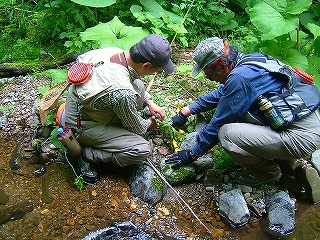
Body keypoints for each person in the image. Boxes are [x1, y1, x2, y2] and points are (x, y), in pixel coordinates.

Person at [165, 36, 320, 202]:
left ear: (221, 66)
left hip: (300, 136)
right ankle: (294, 166)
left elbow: (219, 122)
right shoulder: (248, 61)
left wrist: (193, 154)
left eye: (208, 75)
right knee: (248, 113)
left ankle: (269, 171)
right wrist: (187, 111)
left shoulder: (240, 78)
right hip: (309, 121)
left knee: (227, 134)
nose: (207, 78)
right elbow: (225, 92)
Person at [62, 34, 175, 184]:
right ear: (146, 65)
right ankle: (83, 154)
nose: (156, 73)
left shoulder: (115, 52)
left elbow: (126, 84)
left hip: (78, 107)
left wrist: (149, 101)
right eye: (158, 70)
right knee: (141, 149)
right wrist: (149, 124)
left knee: (139, 86)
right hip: (81, 125)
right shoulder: (123, 93)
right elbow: (136, 127)